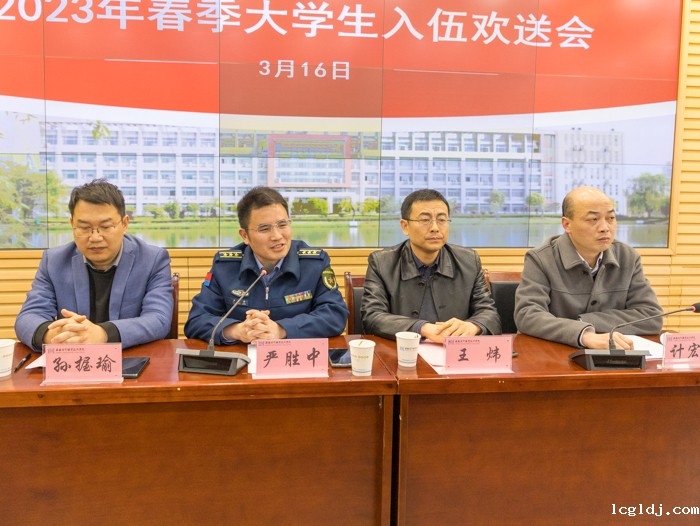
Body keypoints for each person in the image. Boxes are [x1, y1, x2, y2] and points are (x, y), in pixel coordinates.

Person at [15, 179, 173, 351]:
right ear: (72, 224)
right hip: (74, 359)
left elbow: (159, 319)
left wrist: (103, 334)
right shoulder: (54, 261)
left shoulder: (153, 259)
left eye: (106, 227)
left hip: (131, 359)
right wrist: (54, 335)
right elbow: (28, 317)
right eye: (84, 228)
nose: (95, 237)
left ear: (125, 224)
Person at [184, 186, 348, 344]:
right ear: (245, 236)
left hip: (298, 357)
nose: (277, 236)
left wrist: (281, 330)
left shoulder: (313, 263)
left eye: (282, 225)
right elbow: (197, 320)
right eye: (264, 229)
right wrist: (237, 330)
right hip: (243, 357)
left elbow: (335, 315)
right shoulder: (225, 267)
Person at [514, 186, 663, 349]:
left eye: (611, 218)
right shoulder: (541, 258)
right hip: (554, 353)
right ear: (567, 224)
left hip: (612, 355)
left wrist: (585, 321)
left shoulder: (628, 257)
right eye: (593, 219)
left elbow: (651, 316)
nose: (605, 227)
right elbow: (527, 315)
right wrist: (584, 335)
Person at [361, 189, 501, 342]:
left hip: (454, 352)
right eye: (425, 220)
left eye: (442, 219)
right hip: (402, 351)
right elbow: (372, 316)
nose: (435, 227)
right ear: (405, 226)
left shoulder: (469, 261)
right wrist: (421, 328)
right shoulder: (382, 263)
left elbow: (489, 314)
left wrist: (474, 326)